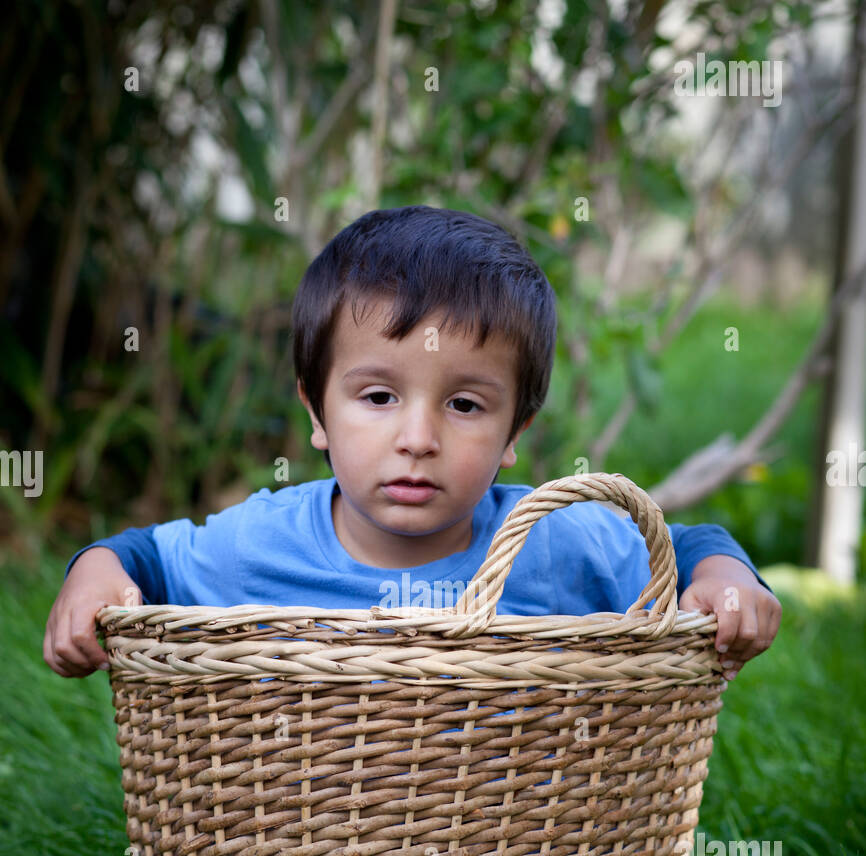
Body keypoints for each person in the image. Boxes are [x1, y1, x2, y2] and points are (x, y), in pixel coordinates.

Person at [43, 205, 781, 678]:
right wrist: (94, 576)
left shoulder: (554, 545)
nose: (418, 439)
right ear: (317, 413)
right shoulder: (262, 545)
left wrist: (726, 579)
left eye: (464, 404)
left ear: (515, 432)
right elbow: (149, 559)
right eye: (377, 398)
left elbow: (683, 547)